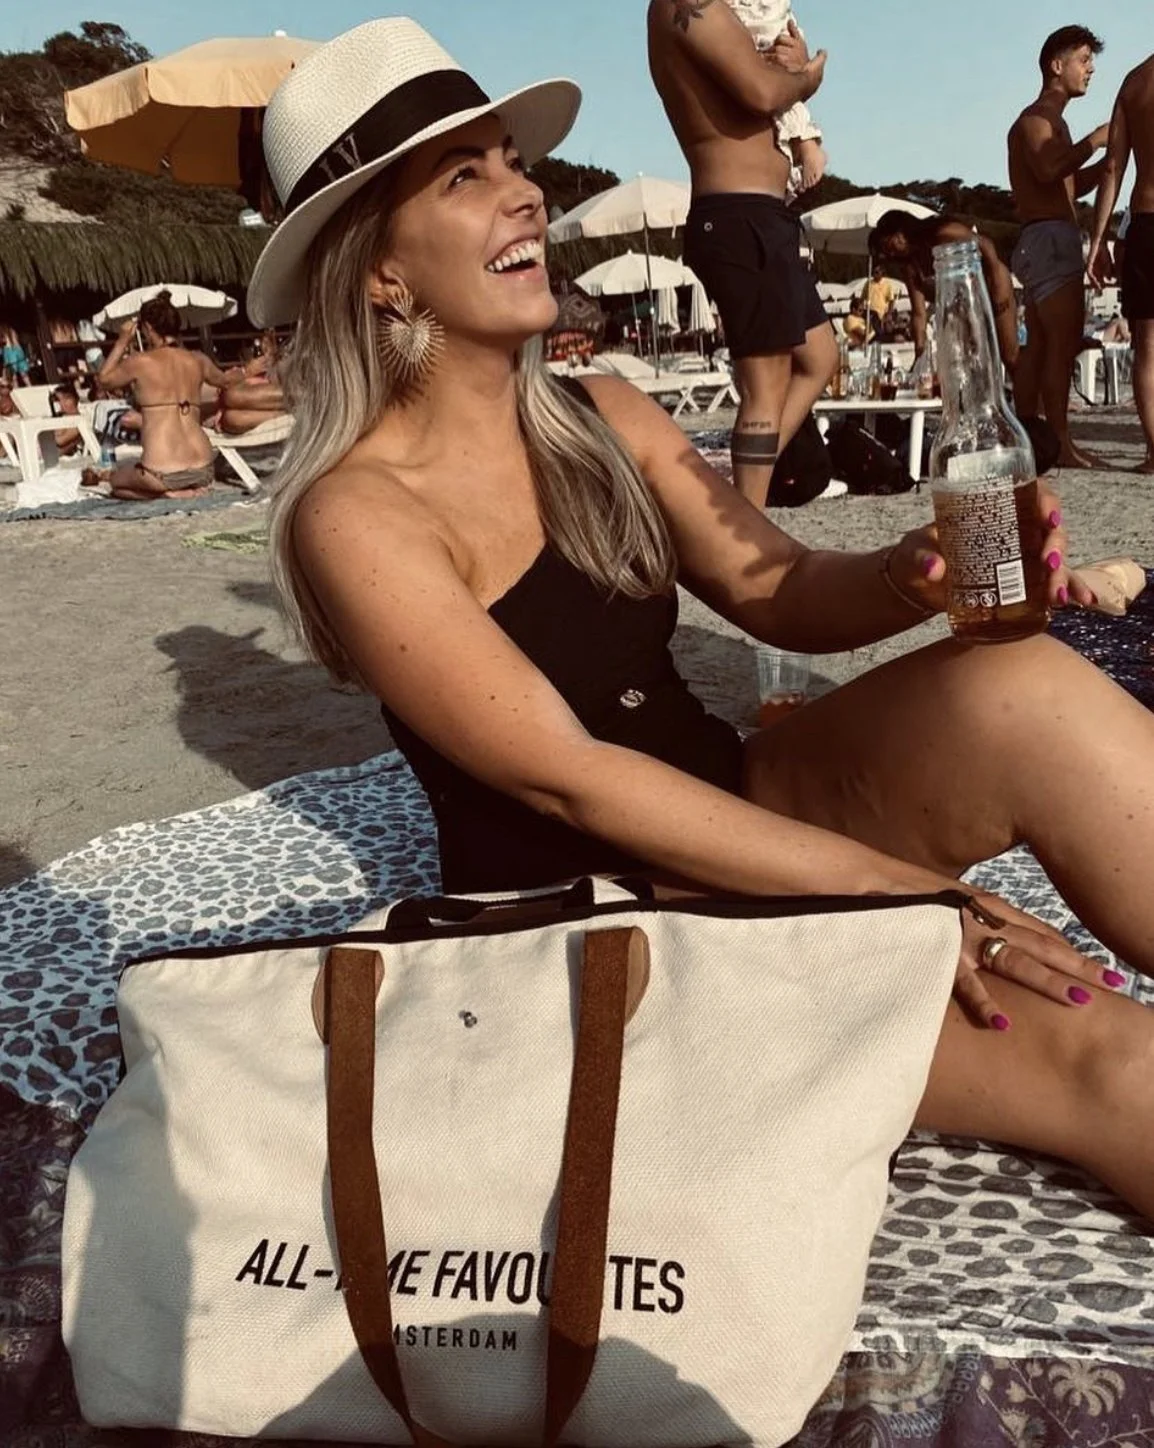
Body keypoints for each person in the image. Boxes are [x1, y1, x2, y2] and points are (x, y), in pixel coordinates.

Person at [248, 18, 1154, 1224]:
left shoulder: (602, 416)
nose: (523, 193)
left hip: (731, 804)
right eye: (465, 176)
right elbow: (571, 779)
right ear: (379, 270)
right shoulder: (356, 514)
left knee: (1020, 683)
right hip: (599, 922)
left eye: (512, 160)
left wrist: (910, 575)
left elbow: (776, 585)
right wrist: (901, 895)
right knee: (1111, 1059)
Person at [647, 0, 835, 507]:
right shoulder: (685, 5)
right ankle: (745, 524)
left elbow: (764, 80)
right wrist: (806, 76)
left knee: (820, 357)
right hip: (737, 214)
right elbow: (762, 91)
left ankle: (742, 497)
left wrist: (788, 69)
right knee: (764, 387)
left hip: (763, 214)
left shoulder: (726, 12)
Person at [1007, 25, 1110, 469]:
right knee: (1059, 345)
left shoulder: (1052, 121)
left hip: (1043, 237)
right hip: (1049, 238)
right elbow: (1049, 170)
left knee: (1042, 346)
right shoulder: (1038, 120)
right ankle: (1059, 443)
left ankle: (1034, 440)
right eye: (1083, 60)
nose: (1090, 70)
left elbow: (1067, 185)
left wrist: (1108, 162)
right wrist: (1096, 141)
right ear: (1056, 65)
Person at [92, 292, 243, 499]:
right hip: (204, 469)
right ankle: (185, 491)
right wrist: (246, 371)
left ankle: (171, 495)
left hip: (161, 473)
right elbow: (226, 381)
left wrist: (122, 340)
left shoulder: (140, 362)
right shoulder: (198, 360)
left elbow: (103, 379)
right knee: (129, 482)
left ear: (148, 328)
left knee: (116, 483)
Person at [1088, 52, 1154, 473]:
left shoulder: (1135, 83)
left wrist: (1097, 240)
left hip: (1147, 222)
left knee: (1148, 348)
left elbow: (1113, 167)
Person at [870, 210, 1021, 371]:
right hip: (966, 302)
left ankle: (1030, 382)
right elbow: (919, 314)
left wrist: (997, 291)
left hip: (992, 282)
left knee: (1009, 355)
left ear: (901, 231)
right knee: (972, 361)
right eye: (888, 252)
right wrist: (919, 355)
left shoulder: (942, 233)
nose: (892, 253)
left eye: (890, 245)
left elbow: (986, 246)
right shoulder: (911, 267)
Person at [723, 0, 827, 194]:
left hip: (762, 20)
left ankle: (806, 142)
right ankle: (805, 142)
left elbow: (770, 94)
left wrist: (805, 74)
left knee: (777, 78)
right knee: (774, 81)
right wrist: (808, 77)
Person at [216, 328, 289, 434]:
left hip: (273, 402)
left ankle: (292, 411)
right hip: (241, 415)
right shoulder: (239, 371)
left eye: (266, 341)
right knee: (231, 417)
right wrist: (247, 371)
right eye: (254, 344)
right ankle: (288, 414)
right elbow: (224, 382)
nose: (262, 349)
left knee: (232, 399)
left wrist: (273, 363)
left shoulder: (279, 367)